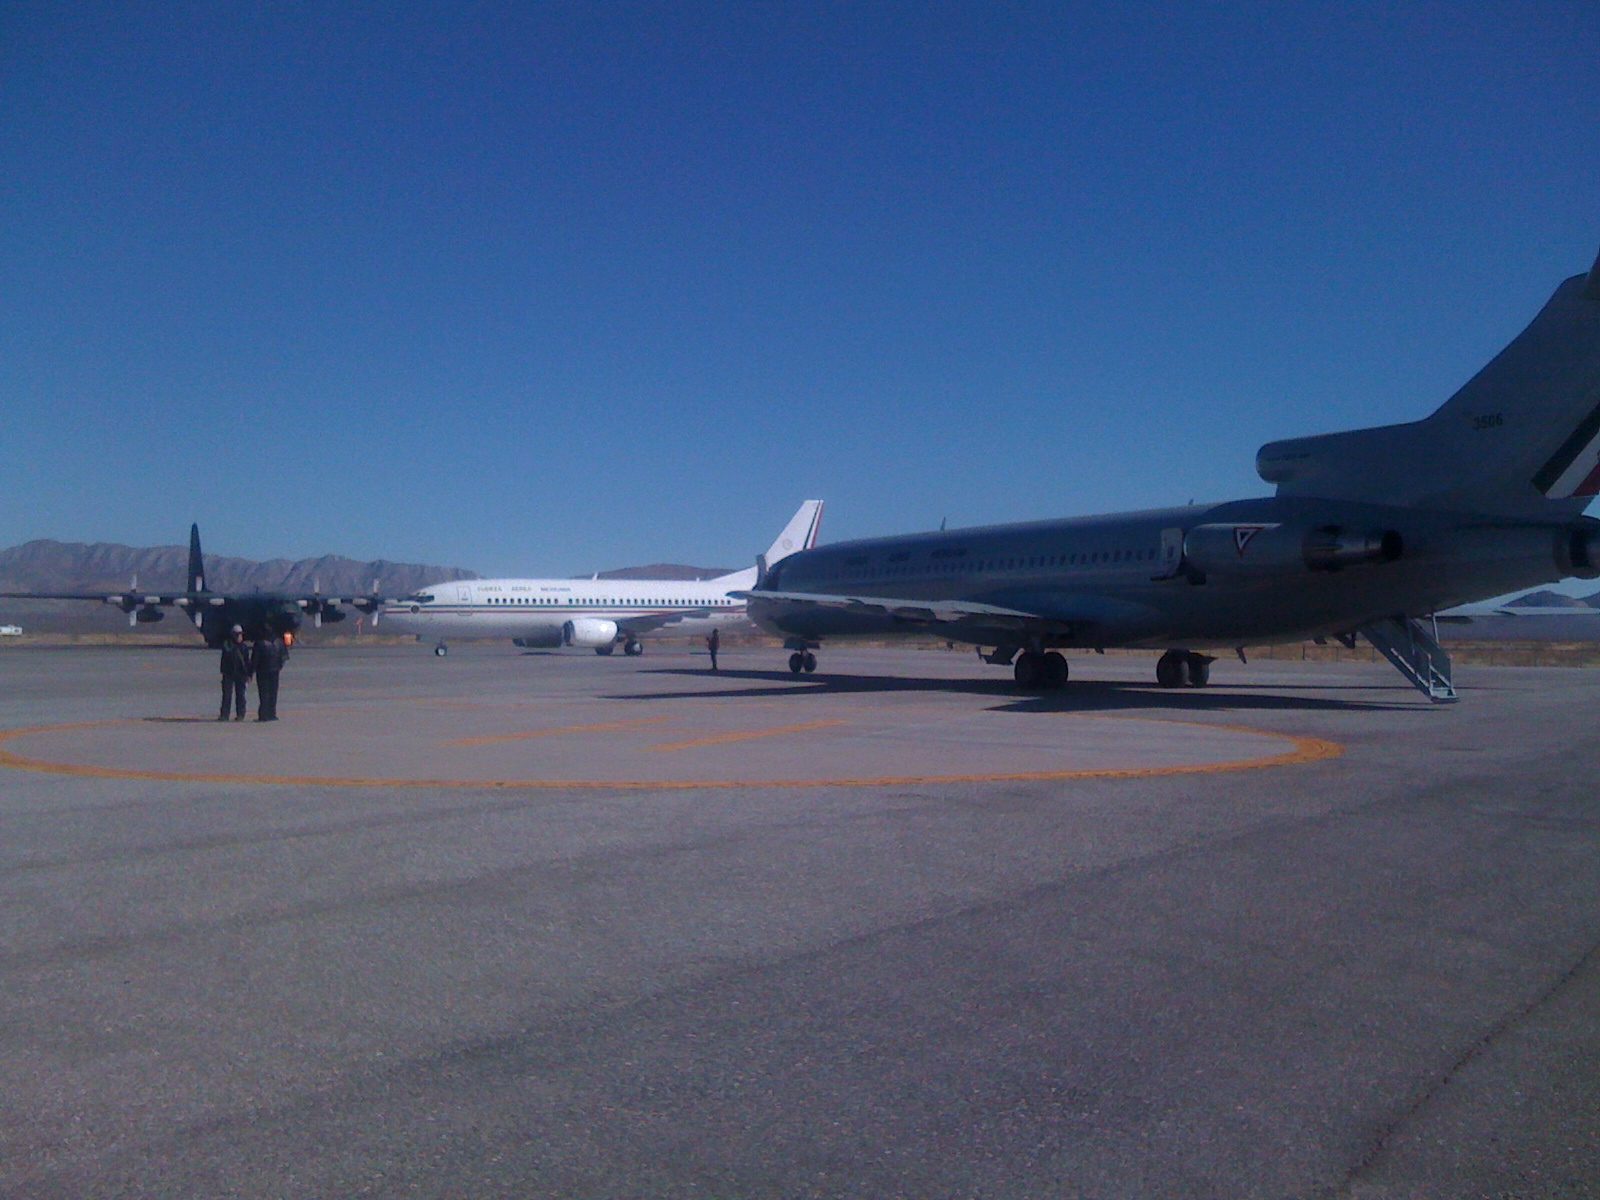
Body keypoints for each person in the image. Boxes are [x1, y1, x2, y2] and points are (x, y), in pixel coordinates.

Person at [252, 629, 289, 721]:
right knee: (273, 693)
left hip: (263, 671)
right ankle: (272, 713)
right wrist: (279, 667)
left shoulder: (260, 644)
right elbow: (284, 657)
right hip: (275, 671)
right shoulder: (279, 643)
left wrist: (250, 672)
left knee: (264, 693)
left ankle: (263, 715)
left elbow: (255, 660)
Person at [218, 625, 252, 721]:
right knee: (227, 695)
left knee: (241, 695)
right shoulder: (228, 645)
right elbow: (226, 655)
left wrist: (249, 674)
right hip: (229, 673)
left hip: (241, 674)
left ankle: (240, 714)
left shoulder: (244, 648)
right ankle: (224, 714)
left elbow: (247, 662)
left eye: (240, 635)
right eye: (236, 635)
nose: (239, 637)